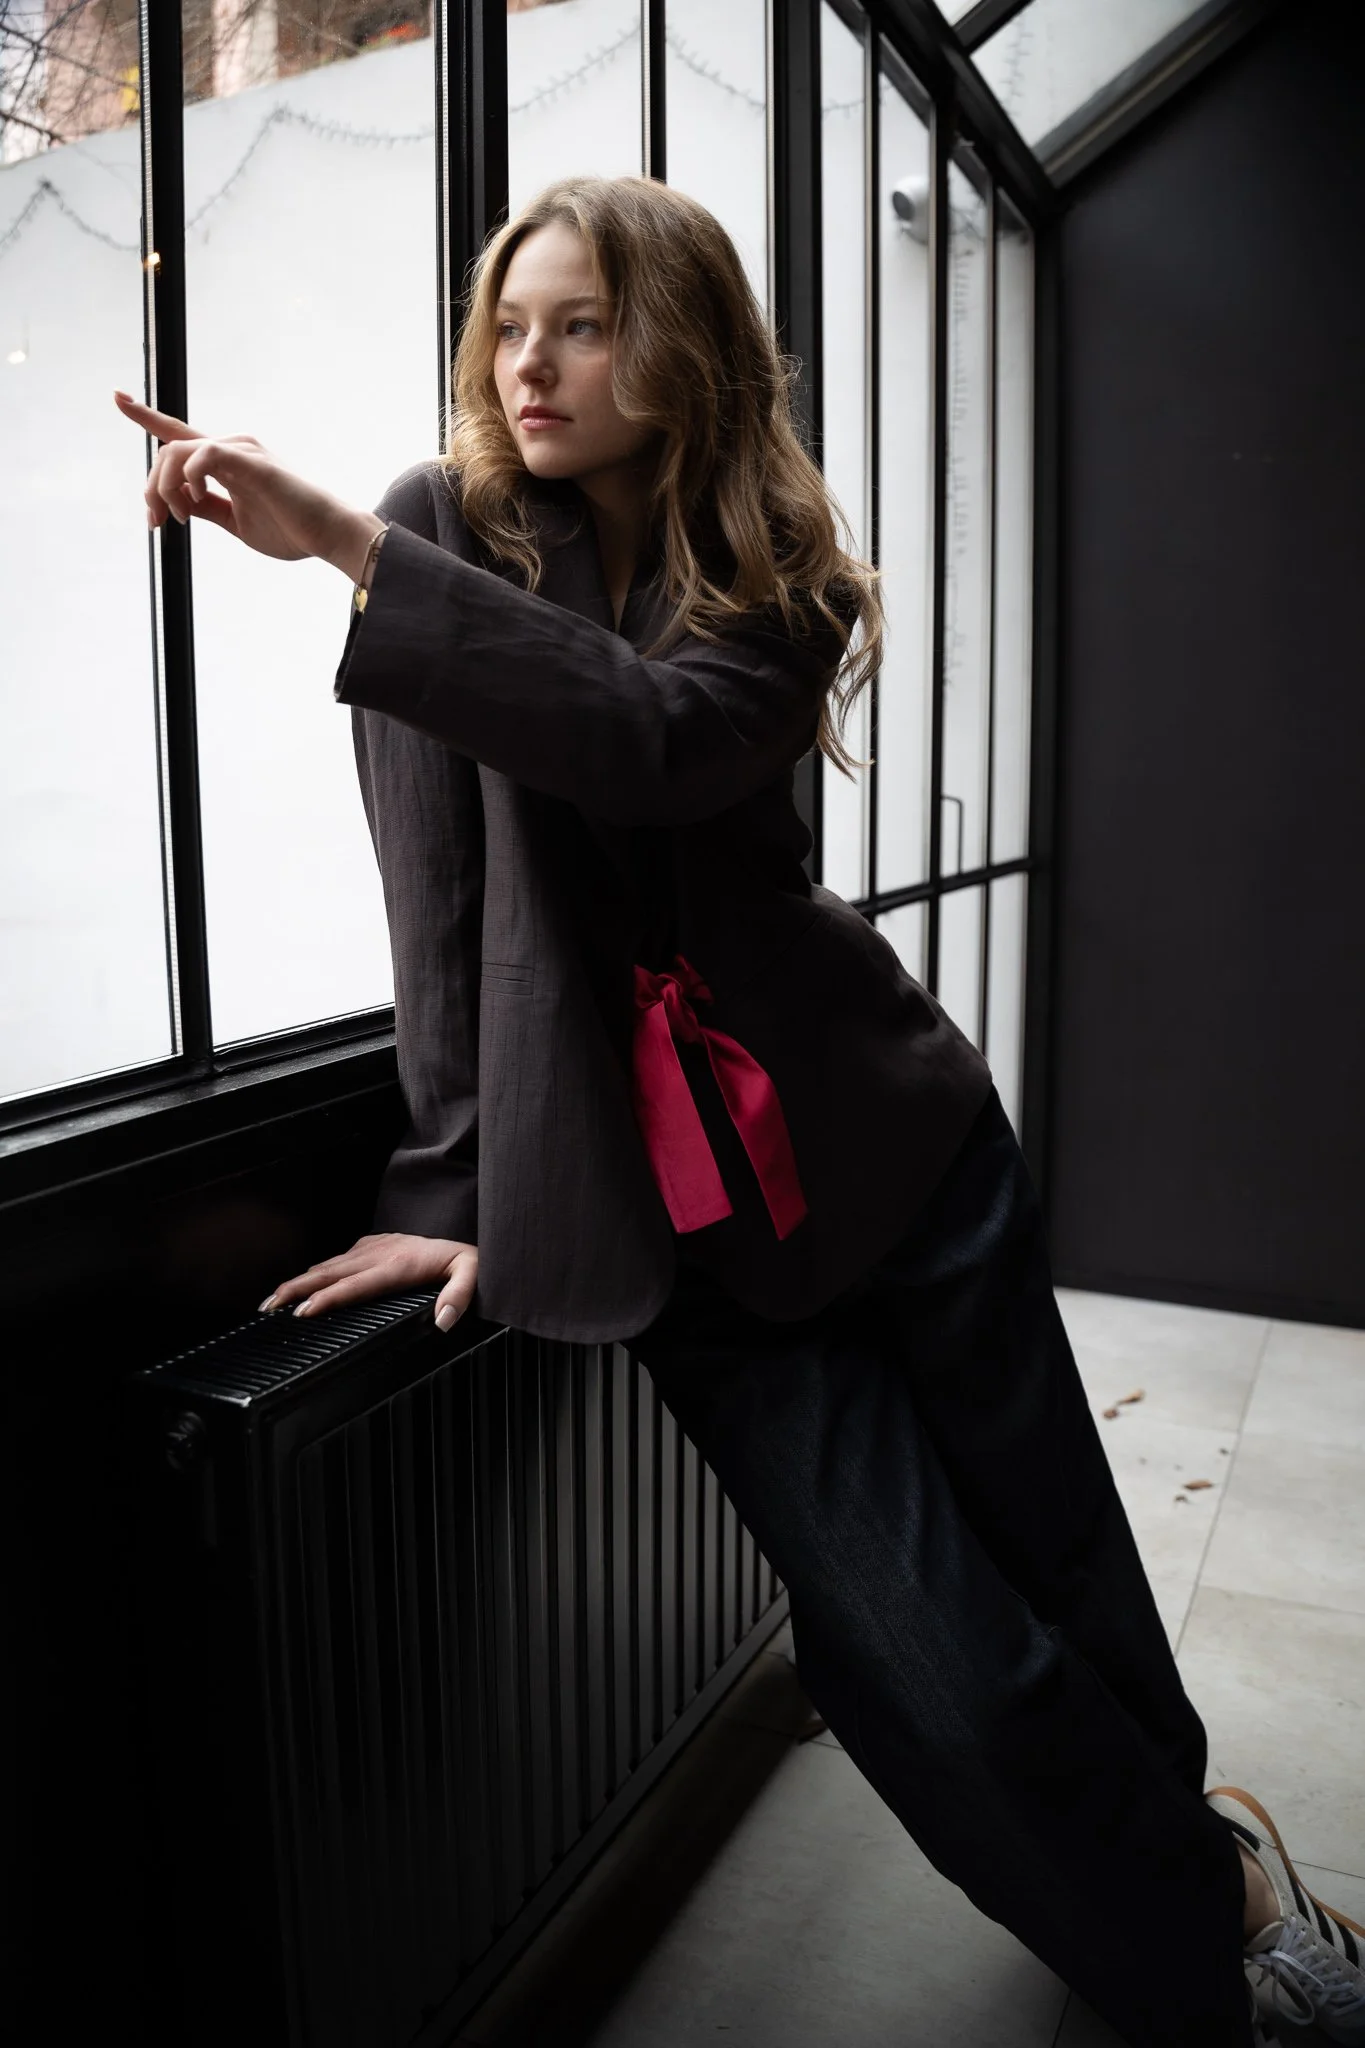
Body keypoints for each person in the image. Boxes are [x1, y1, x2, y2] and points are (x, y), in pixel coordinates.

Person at [115, 173, 1363, 2048]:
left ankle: (1216, 1918)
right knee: (928, 1666)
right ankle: (1220, 1937)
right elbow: (437, 902)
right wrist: (456, 1180)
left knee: (1067, 1586)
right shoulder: (440, 530)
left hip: (897, 1152)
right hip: (685, 1237)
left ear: (680, 343)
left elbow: (656, 742)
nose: (528, 362)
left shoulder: (774, 572)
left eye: (584, 323)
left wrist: (352, 565)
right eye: (509, 322)